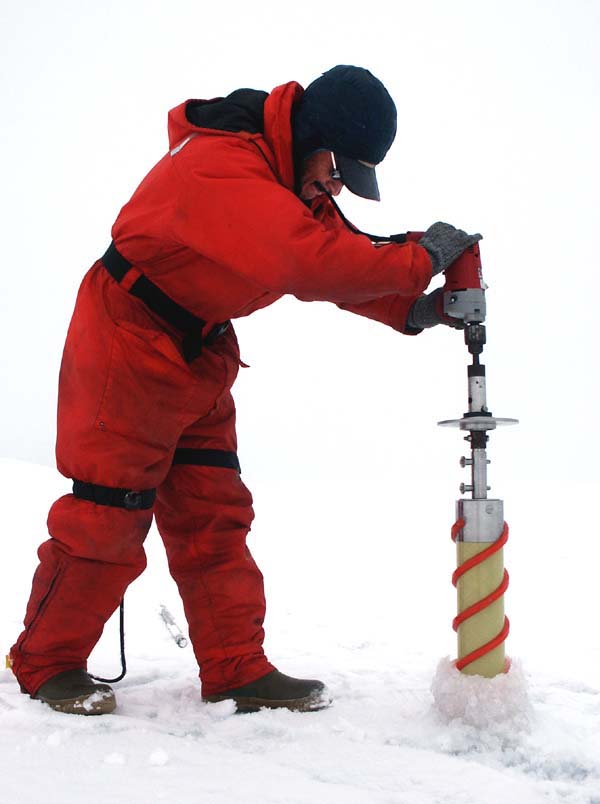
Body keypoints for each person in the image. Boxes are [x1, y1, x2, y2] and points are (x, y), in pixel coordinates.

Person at [10, 65, 480, 715]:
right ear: (313, 135)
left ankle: (235, 668)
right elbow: (305, 262)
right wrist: (422, 256)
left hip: (198, 351)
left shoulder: (292, 185)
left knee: (214, 515)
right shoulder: (221, 165)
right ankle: (48, 661)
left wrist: (414, 308)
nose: (337, 185)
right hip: (127, 339)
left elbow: (336, 250)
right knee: (108, 515)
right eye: (338, 168)